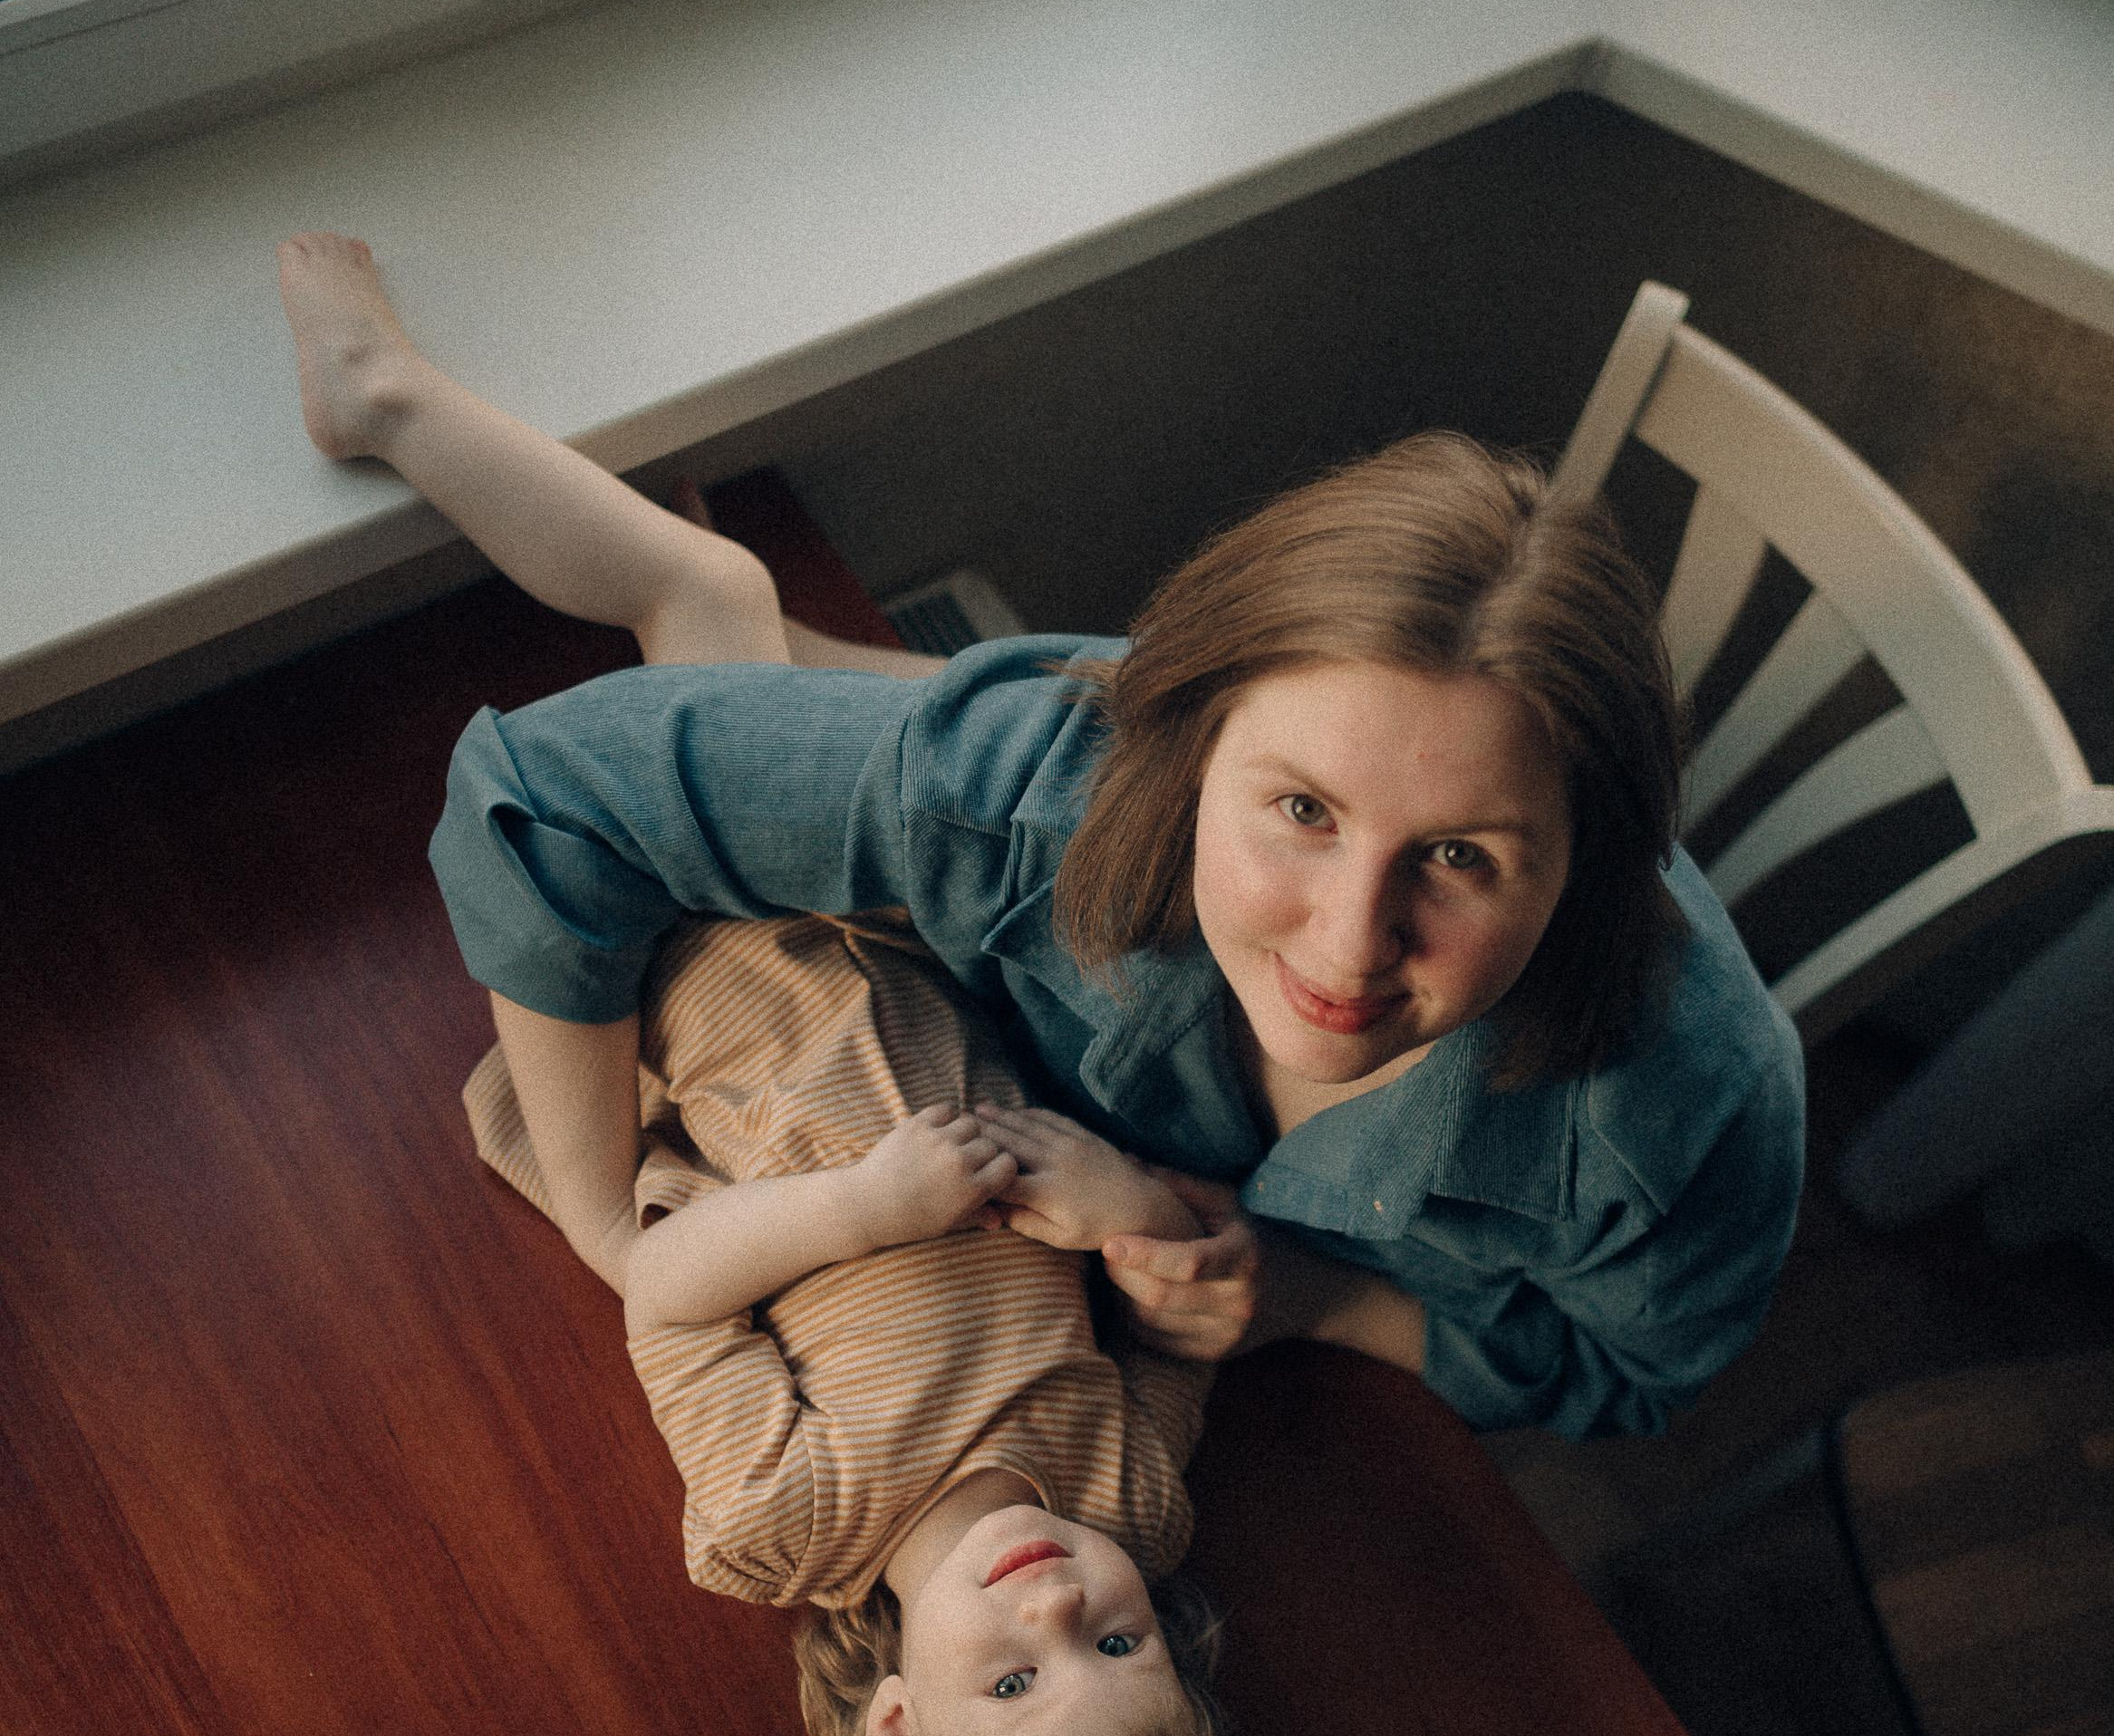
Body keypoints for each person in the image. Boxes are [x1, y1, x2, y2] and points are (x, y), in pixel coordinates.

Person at [280, 227, 1805, 1459]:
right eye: (1300, 812)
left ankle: (760, 631)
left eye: (1462, 859)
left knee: (723, 635)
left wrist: (1313, 1302)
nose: (1348, 946)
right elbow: (542, 797)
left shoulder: (1692, 1112)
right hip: (982, 812)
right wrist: (615, 1228)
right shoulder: (1030, 791)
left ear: (1589, 858)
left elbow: (1625, 1372)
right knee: (707, 628)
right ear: (1189, 739)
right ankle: (386, 395)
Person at [278, 237, 1244, 1736]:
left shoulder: (788, 1528)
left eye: (1016, 1678)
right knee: (726, 608)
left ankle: (388, 403)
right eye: (1123, 1650)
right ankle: (647, 551)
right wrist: (1123, 1215)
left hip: (718, 1015)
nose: (1068, 1606)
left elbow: (664, 1295)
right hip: (904, 975)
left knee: (711, 587)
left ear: (896, 1728)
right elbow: (1190, 1308)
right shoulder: (1132, 1503)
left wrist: (867, 1204)